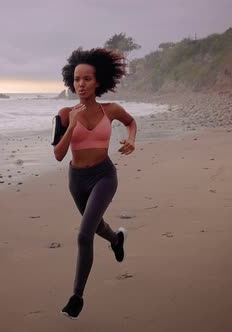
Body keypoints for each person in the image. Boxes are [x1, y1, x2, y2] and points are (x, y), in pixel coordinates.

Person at [52, 47, 137, 319]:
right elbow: (58, 154)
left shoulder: (110, 110)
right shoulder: (65, 113)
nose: (81, 84)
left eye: (87, 79)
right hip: (77, 179)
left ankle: (77, 297)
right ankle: (116, 239)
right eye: (77, 79)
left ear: (98, 81)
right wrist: (73, 122)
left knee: (84, 233)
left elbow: (131, 122)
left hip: (104, 175)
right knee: (96, 224)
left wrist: (131, 140)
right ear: (71, 81)